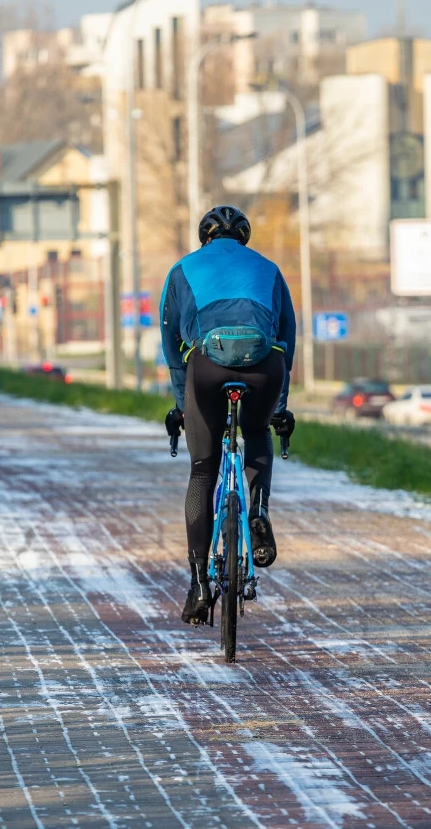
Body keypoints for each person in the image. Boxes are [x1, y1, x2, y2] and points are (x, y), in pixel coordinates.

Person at [160, 205, 297, 626]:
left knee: (203, 469)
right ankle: (257, 510)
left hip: (207, 366)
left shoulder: (182, 269)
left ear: (205, 238)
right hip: (263, 367)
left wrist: (184, 406)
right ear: (244, 238)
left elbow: (170, 342)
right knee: (255, 432)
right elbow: (286, 342)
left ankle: (200, 583)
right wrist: (279, 407)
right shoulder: (270, 269)